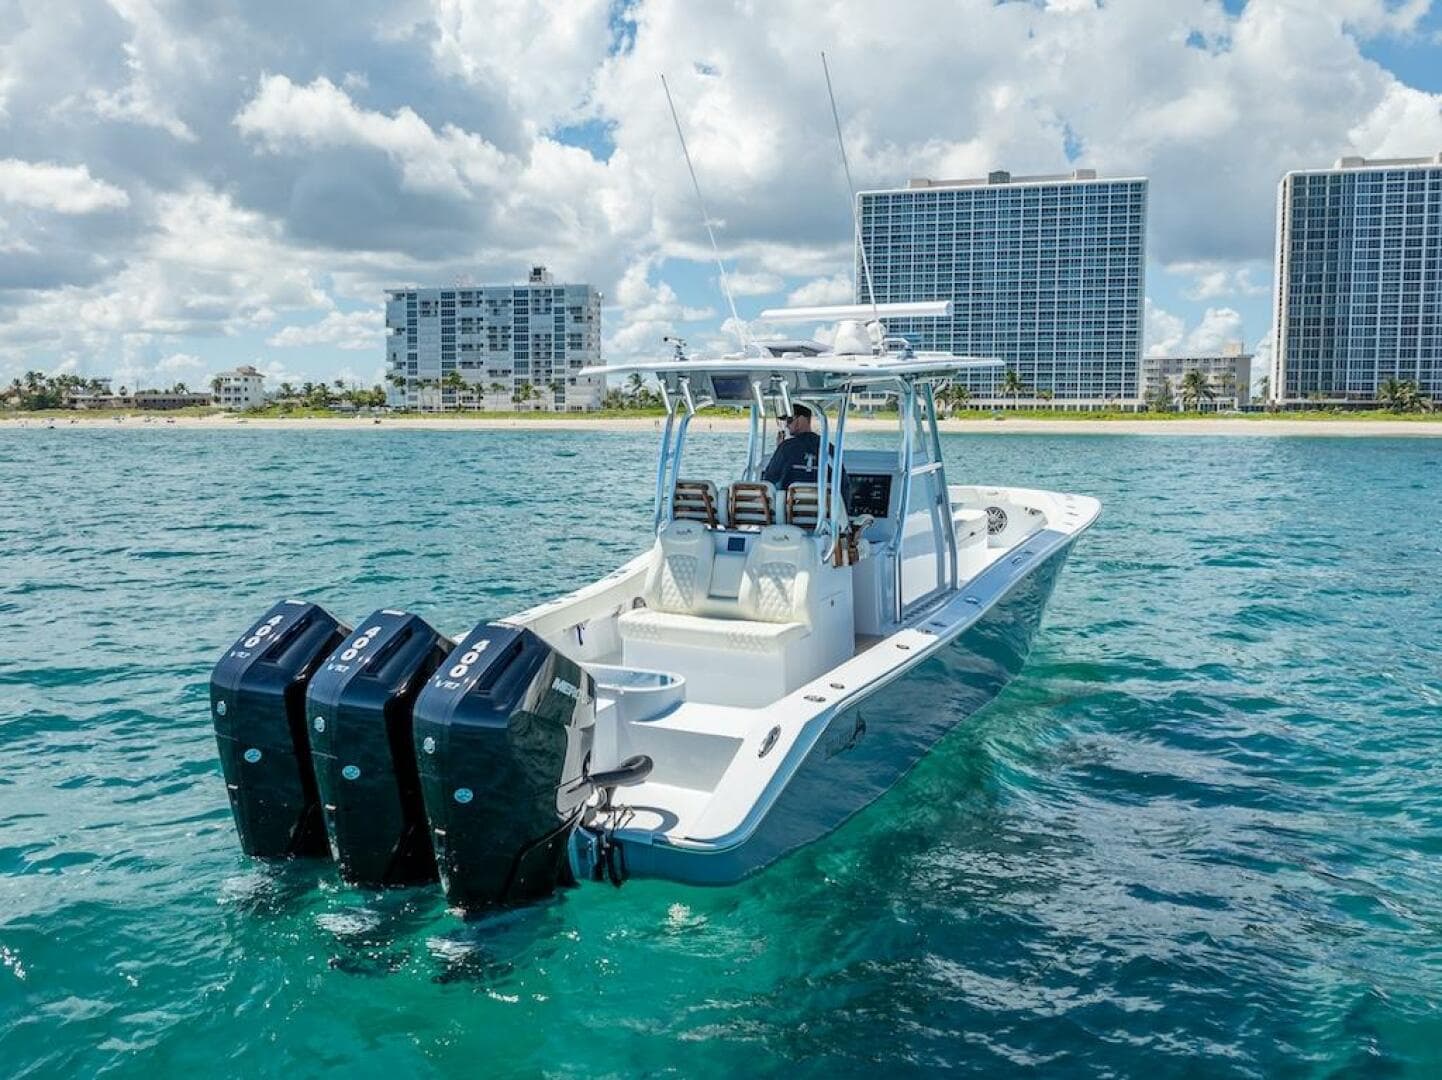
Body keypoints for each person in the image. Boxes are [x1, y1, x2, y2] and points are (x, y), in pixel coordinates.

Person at [762, 404, 823, 490]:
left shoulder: (786, 448)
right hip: (823, 502)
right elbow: (844, 485)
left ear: (802, 419)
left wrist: (779, 450)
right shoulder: (828, 448)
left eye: (789, 420)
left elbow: (769, 480)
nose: (787, 425)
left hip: (790, 502)